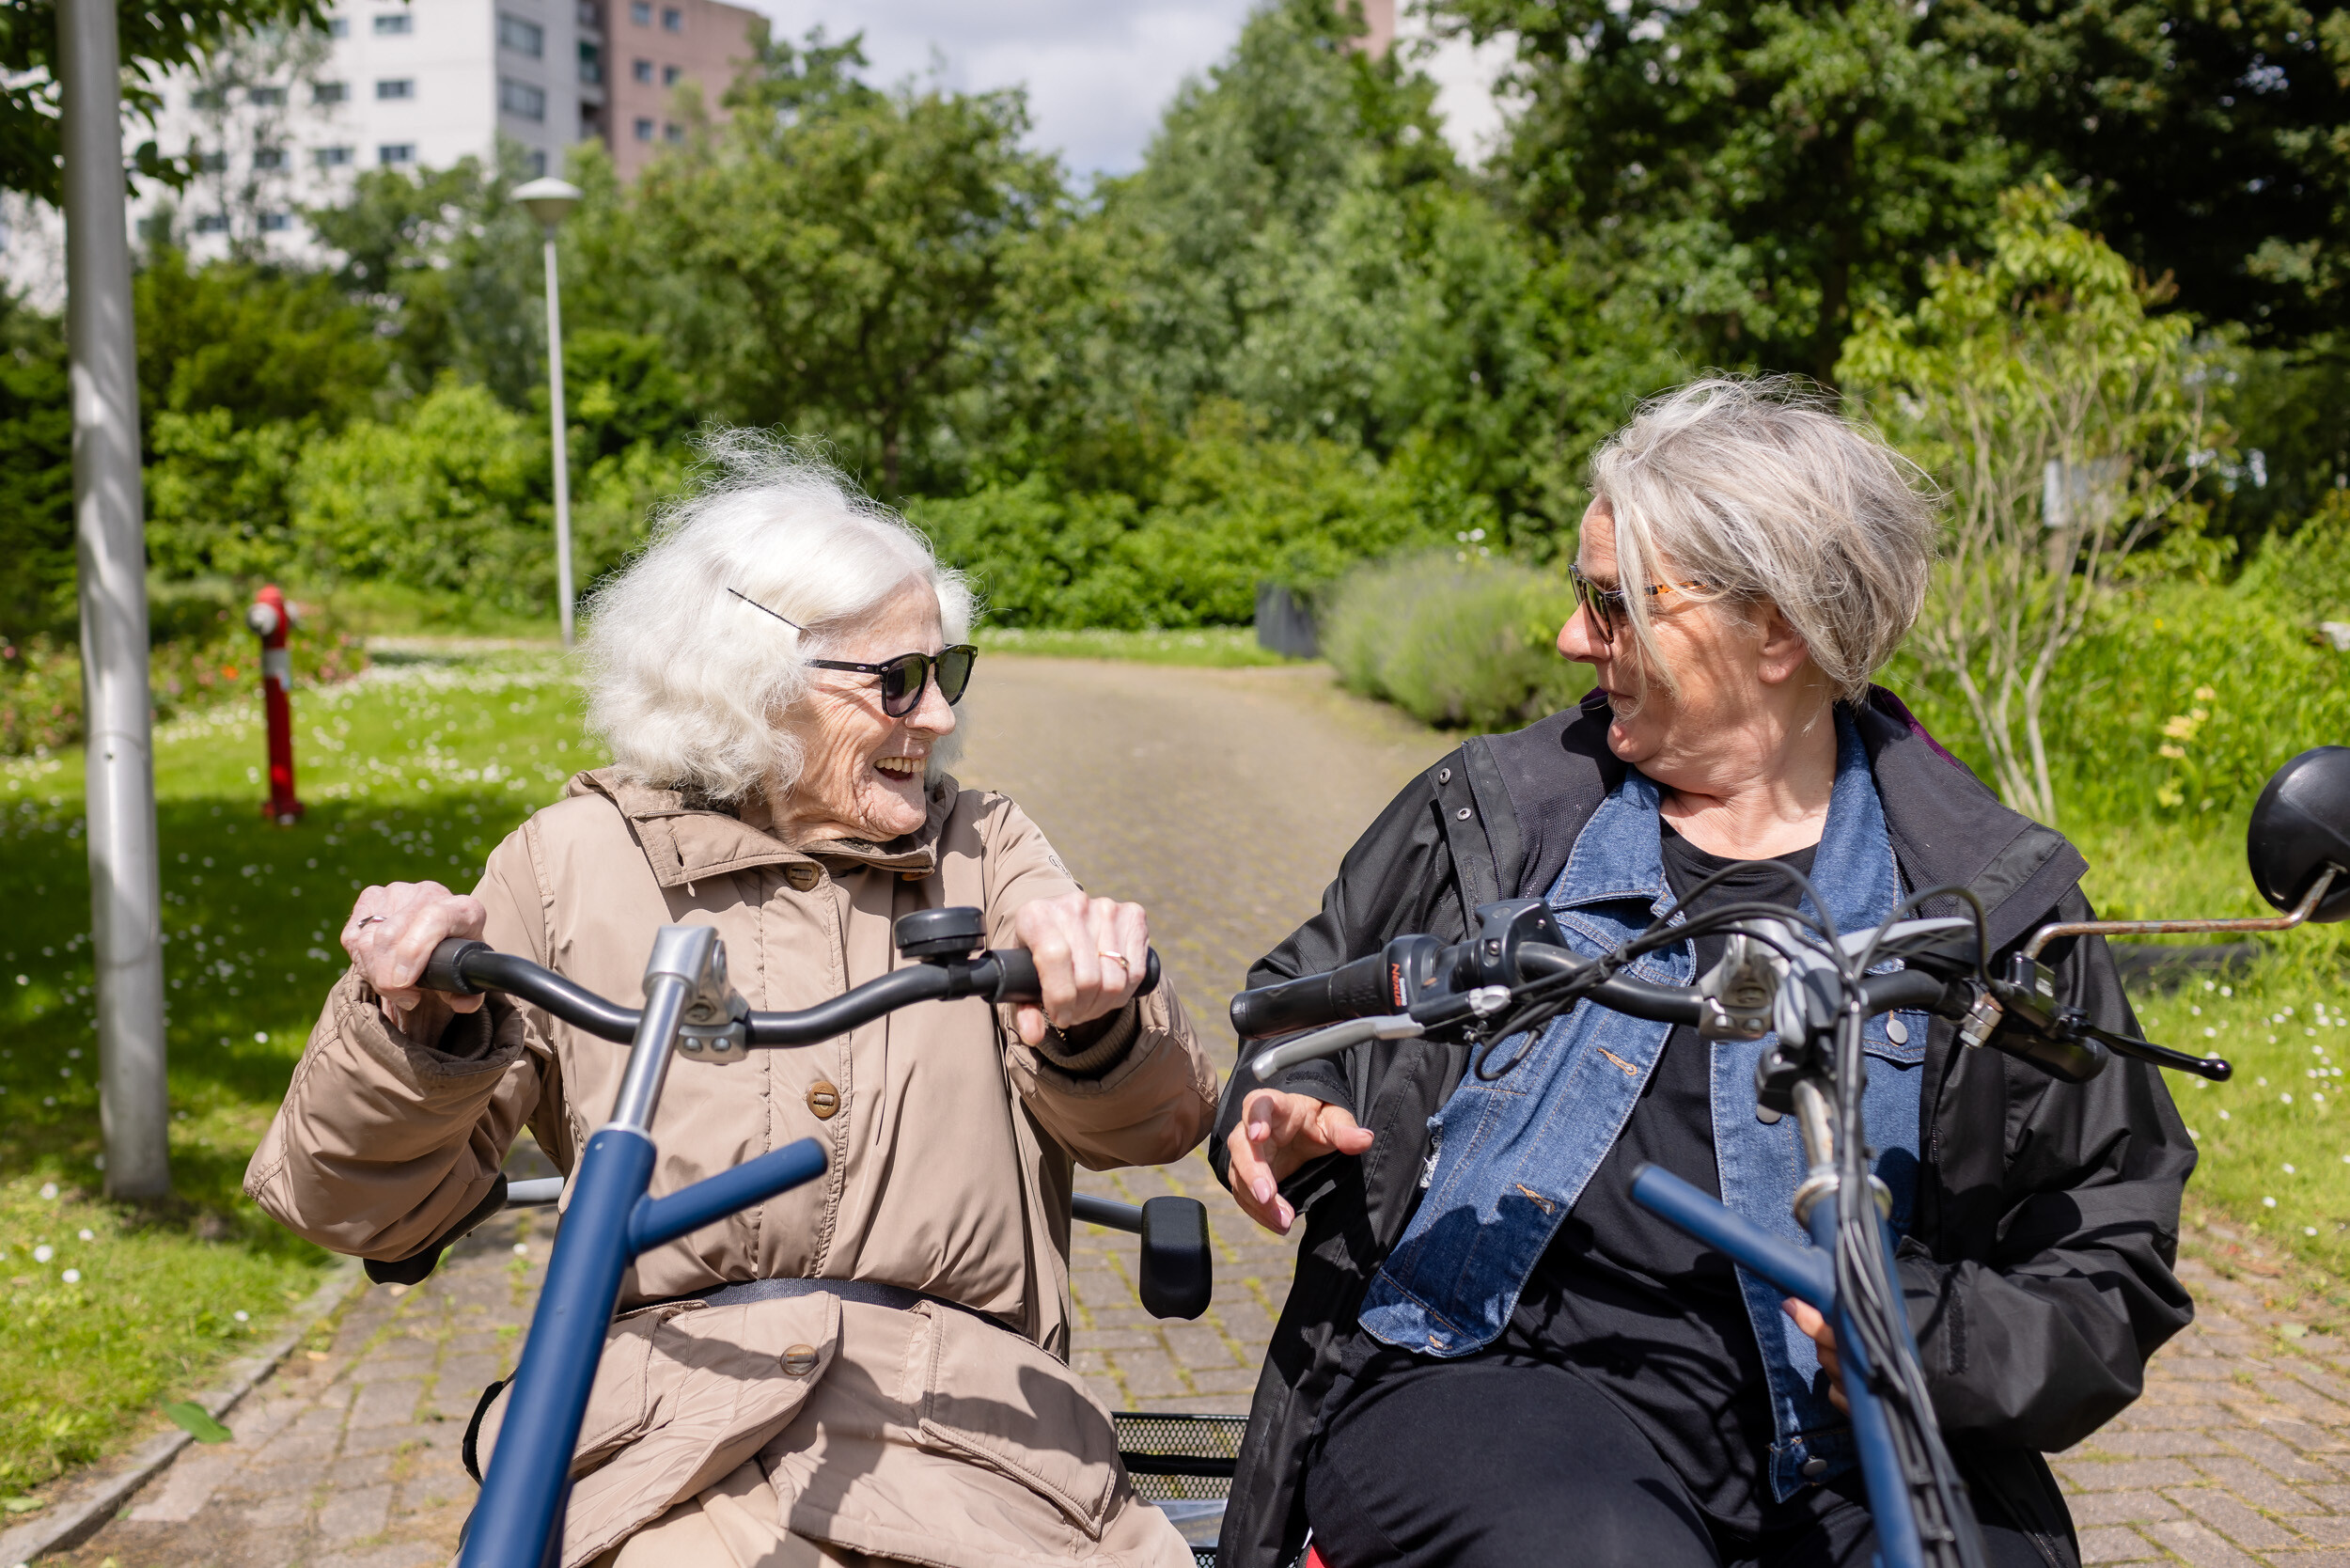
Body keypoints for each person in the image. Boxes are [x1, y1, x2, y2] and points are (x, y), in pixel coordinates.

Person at [1211, 379, 2195, 1568]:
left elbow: (2107, 1244)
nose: (1575, 638)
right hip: (1506, 1381)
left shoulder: (1988, 903)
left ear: (1774, 632)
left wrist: (1928, 1335)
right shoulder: (1496, 819)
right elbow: (1296, 1018)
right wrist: (1268, 1114)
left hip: (1851, 1427)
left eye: (1615, 604)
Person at [245, 436, 1214, 1568]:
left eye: (945, 673)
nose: (938, 717)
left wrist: (1095, 1022)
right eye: (897, 679)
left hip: (967, 1441)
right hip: (665, 1441)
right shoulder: (567, 864)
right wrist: (411, 1027)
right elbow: (358, 1210)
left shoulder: (987, 851)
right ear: (748, 681)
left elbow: (1157, 1122)